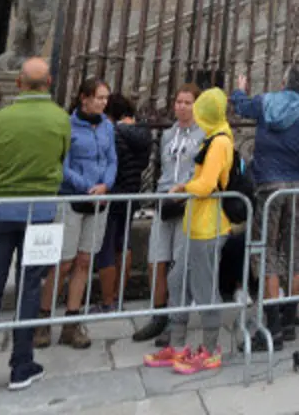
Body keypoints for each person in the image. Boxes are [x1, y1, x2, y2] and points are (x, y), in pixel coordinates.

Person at [0, 58, 69, 397]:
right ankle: (22, 365)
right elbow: (61, 157)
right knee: (30, 287)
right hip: (40, 212)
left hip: (1, 210)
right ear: (49, 82)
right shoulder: (60, 118)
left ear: (18, 83)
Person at [233, 63, 299, 351]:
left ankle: (271, 326)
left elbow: (241, 107)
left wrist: (239, 88)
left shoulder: (266, 102)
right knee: (294, 249)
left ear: (284, 82)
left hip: (267, 185)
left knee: (266, 251)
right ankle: (287, 322)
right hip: (296, 185)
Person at [143, 88, 233, 374]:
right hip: (193, 219)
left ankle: (210, 348)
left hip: (208, 222)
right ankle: (178, 344)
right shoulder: (206, 138)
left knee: (204, 285)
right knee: (178, 278)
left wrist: (182, 188)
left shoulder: (219, 140)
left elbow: (206, 184)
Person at [38, 78, 116, 350]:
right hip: (72, 197)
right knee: (63, 262)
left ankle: (72, 321)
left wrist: (106, 184)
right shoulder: (66, 126)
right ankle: (43, 319)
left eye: (106, 98)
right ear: (84, 98)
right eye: (99, 97)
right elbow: (61, 164)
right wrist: (87, 187)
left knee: (84, 260)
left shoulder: (107, 126)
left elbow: (111, 159)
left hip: (99, 201)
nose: (104, 103)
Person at [133, 84, 204, 345]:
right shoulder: (168, 134)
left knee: (179, 264)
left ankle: (177, 319)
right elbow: (163, 166)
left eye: (187, 102)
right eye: (178, 102)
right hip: (164, 200)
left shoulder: (204, 135)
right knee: (157, 260)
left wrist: (185, 188)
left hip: (188, 203)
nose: (181, 106)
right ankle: (158, 313)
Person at [94, 94, 151, 313]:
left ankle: (108, 301)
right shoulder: (140, 132)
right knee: (123, 244)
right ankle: (118, 297)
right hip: (131, 191)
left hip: (113, 193)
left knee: (106, 247)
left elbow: (108, 162)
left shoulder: (112, 132)